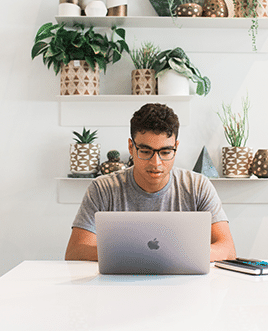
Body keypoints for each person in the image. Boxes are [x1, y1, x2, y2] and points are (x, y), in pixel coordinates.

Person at [65, 103, 236, 262]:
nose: (156, 163)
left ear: (176, 147)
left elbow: (228, 250)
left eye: (166, 152)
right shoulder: (102, 189)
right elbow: (75, 252)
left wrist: (177, 255)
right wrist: (136, 256)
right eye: (146, 151)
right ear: (131, 147)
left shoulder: (198, 186)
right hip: (119, 289)